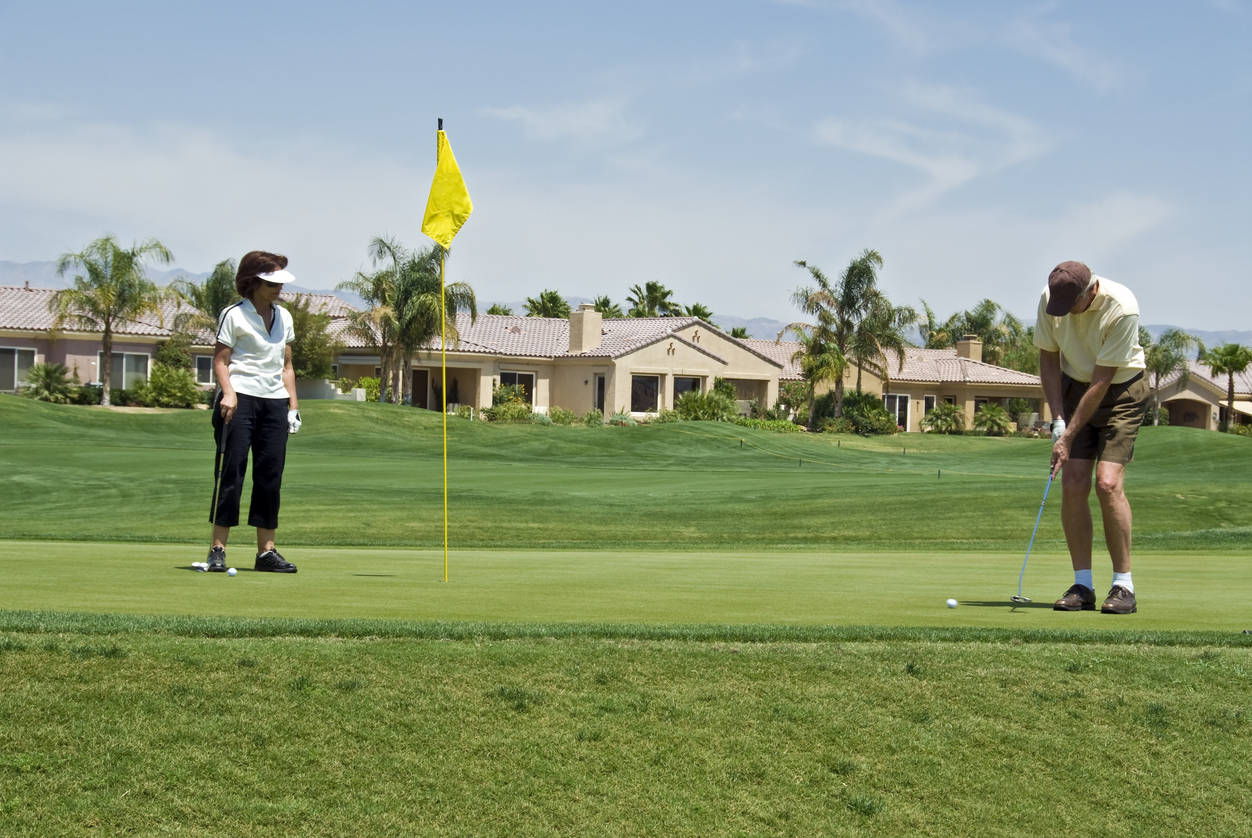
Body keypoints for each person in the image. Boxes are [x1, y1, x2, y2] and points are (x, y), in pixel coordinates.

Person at [1034, 261, 1148, 614]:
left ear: (1090, 292)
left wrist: (1067, 436)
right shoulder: (1052, 298)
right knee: (1073, 483)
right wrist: (1057, 420)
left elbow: (1102, 381)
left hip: (1120, 391)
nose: (1064, 312)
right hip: (1073, 387)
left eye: (1071, 306)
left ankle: (1123, 586)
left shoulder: (1121, 307)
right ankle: (1083, 584)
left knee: (1108, 483)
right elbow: (1049, 359)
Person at [206, 251, 302, 573]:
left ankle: (266, 553)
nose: (278, 288)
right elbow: (221, 362)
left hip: (274, 403)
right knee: (232, 473)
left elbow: (287, 366)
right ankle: (218, 550)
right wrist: (229, 393)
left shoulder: (285, 317)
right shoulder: (233, 314)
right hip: (240, 400)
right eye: (272, 282)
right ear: (254, 281)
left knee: (270, 478)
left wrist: (293, 407)